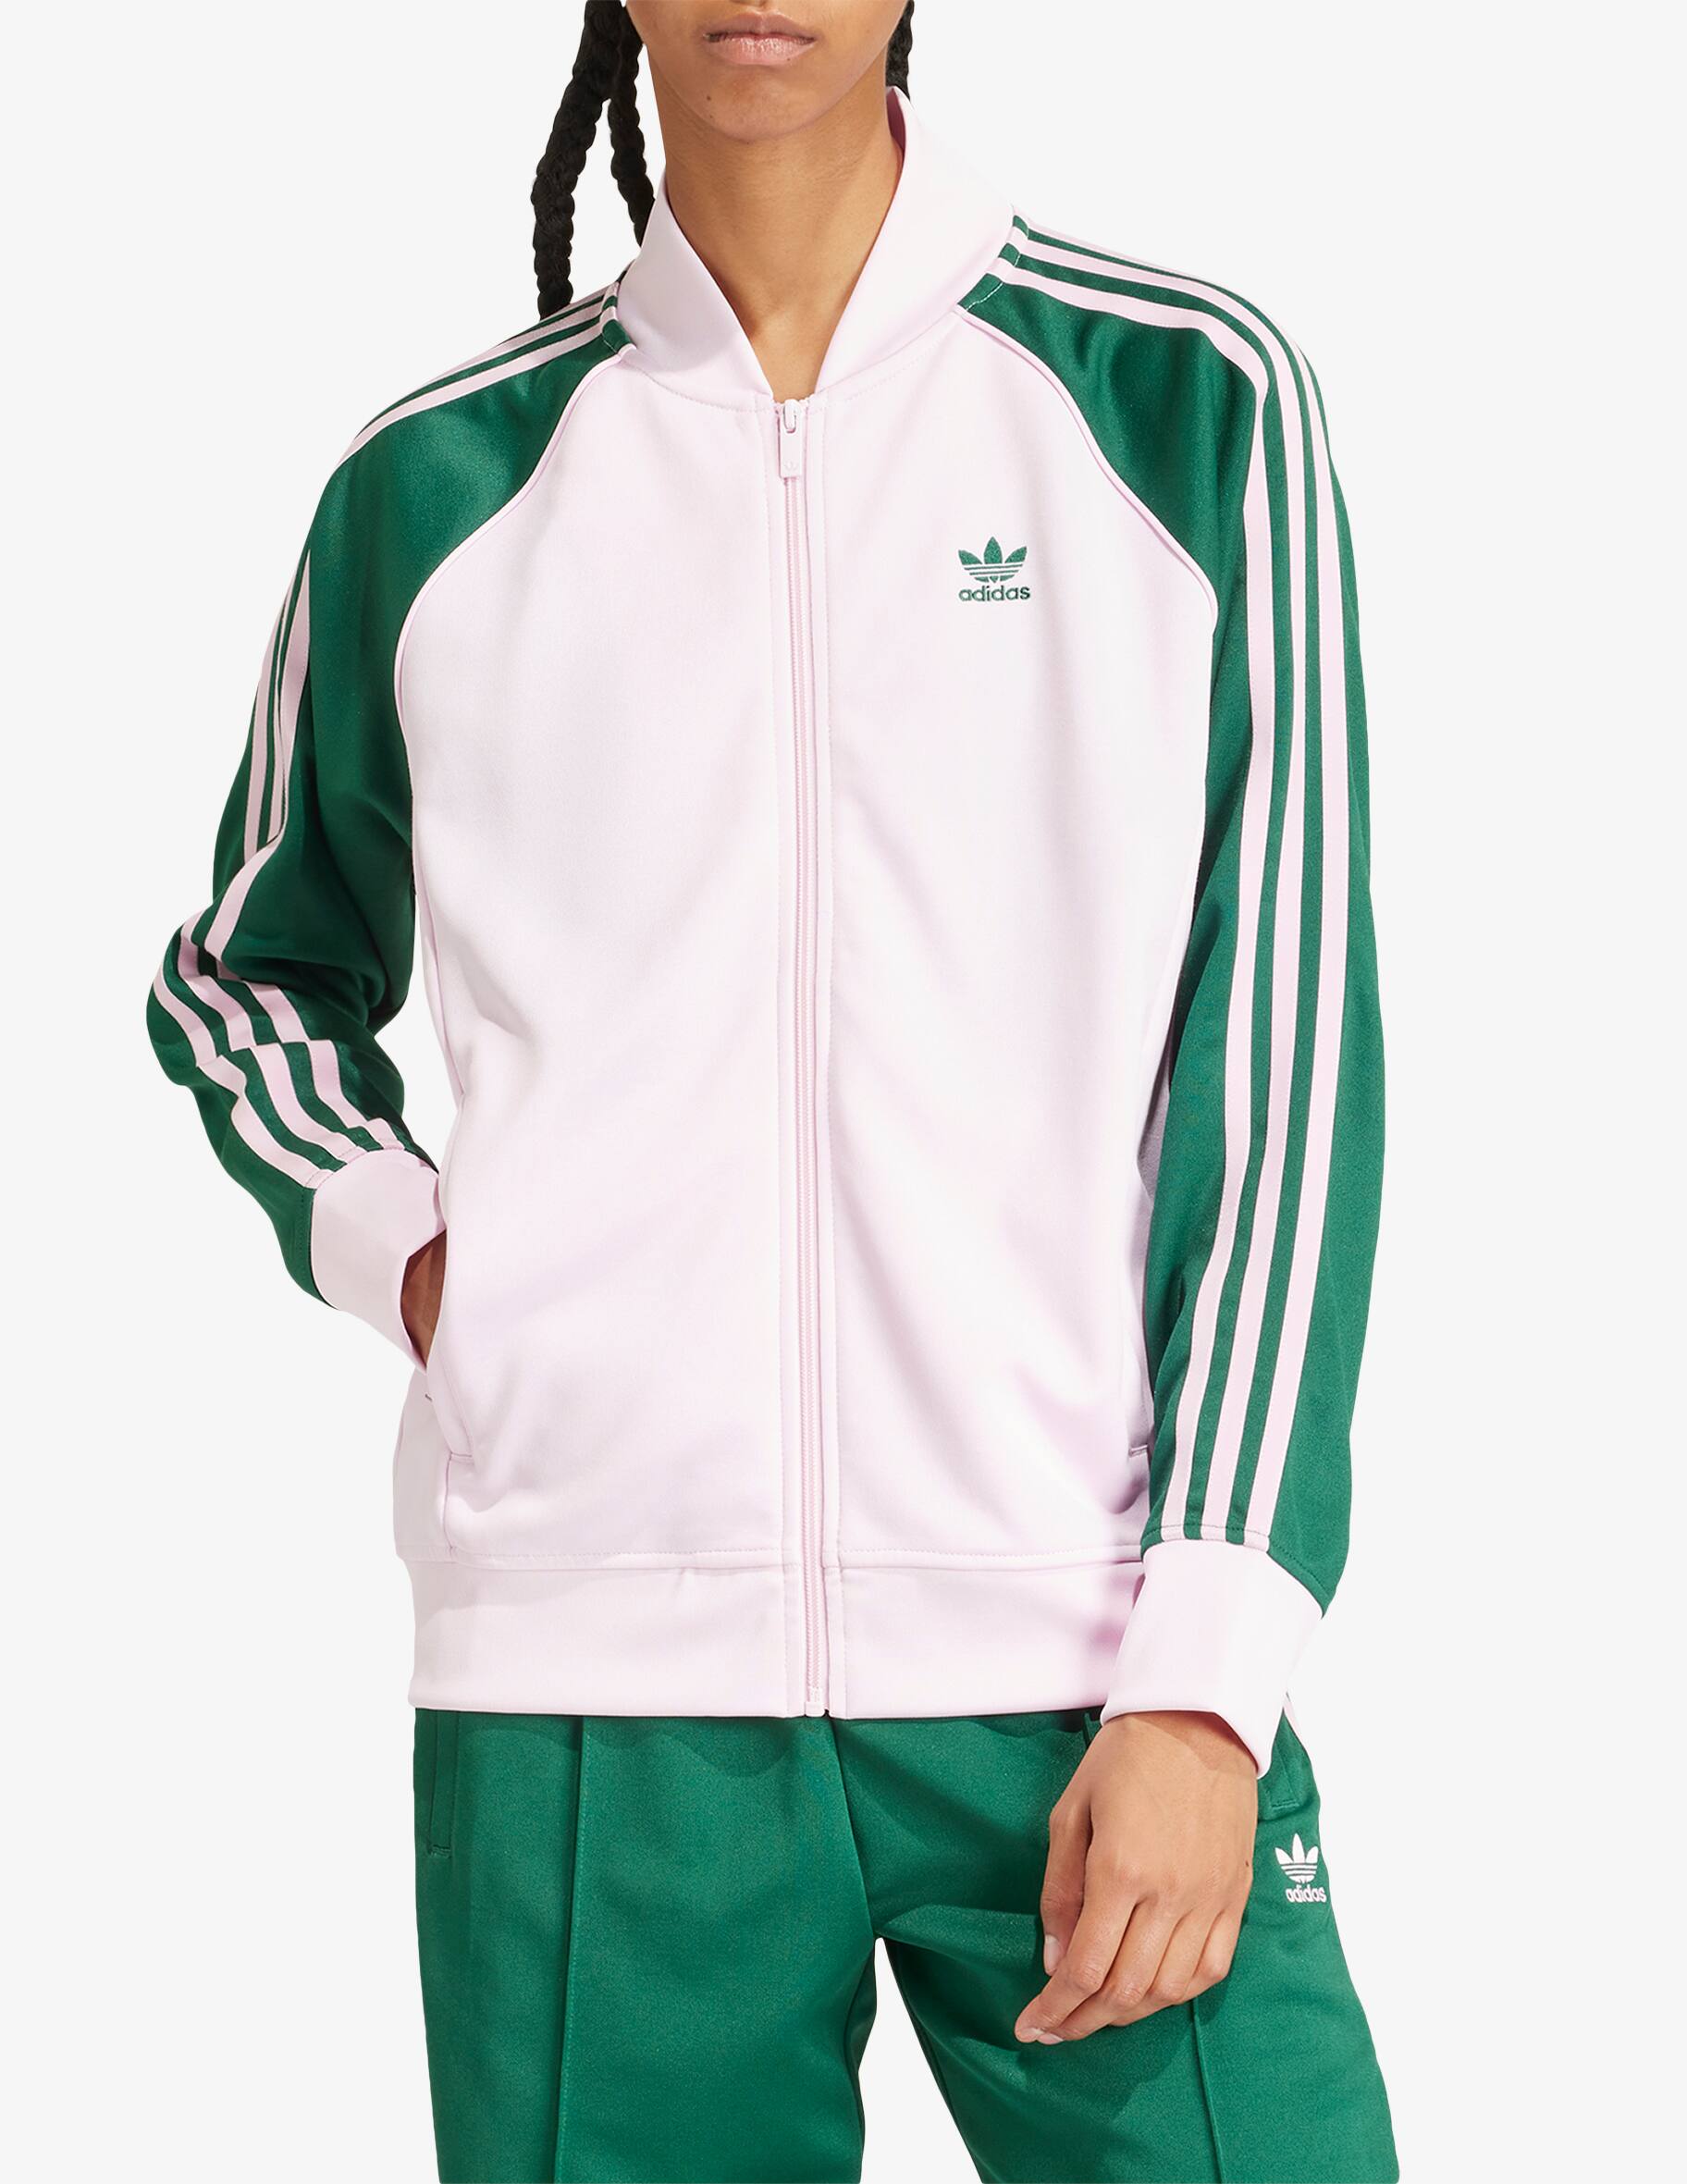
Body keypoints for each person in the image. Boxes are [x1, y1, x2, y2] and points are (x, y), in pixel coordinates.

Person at [147, 3, 1396, 2177]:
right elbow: (249, 971)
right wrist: (431, 1262)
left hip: (1090, 1644)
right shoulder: (438, 486)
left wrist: (1208, 1666)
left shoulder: (1181, 401)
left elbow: (1280, 1059)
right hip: (591, 1693)